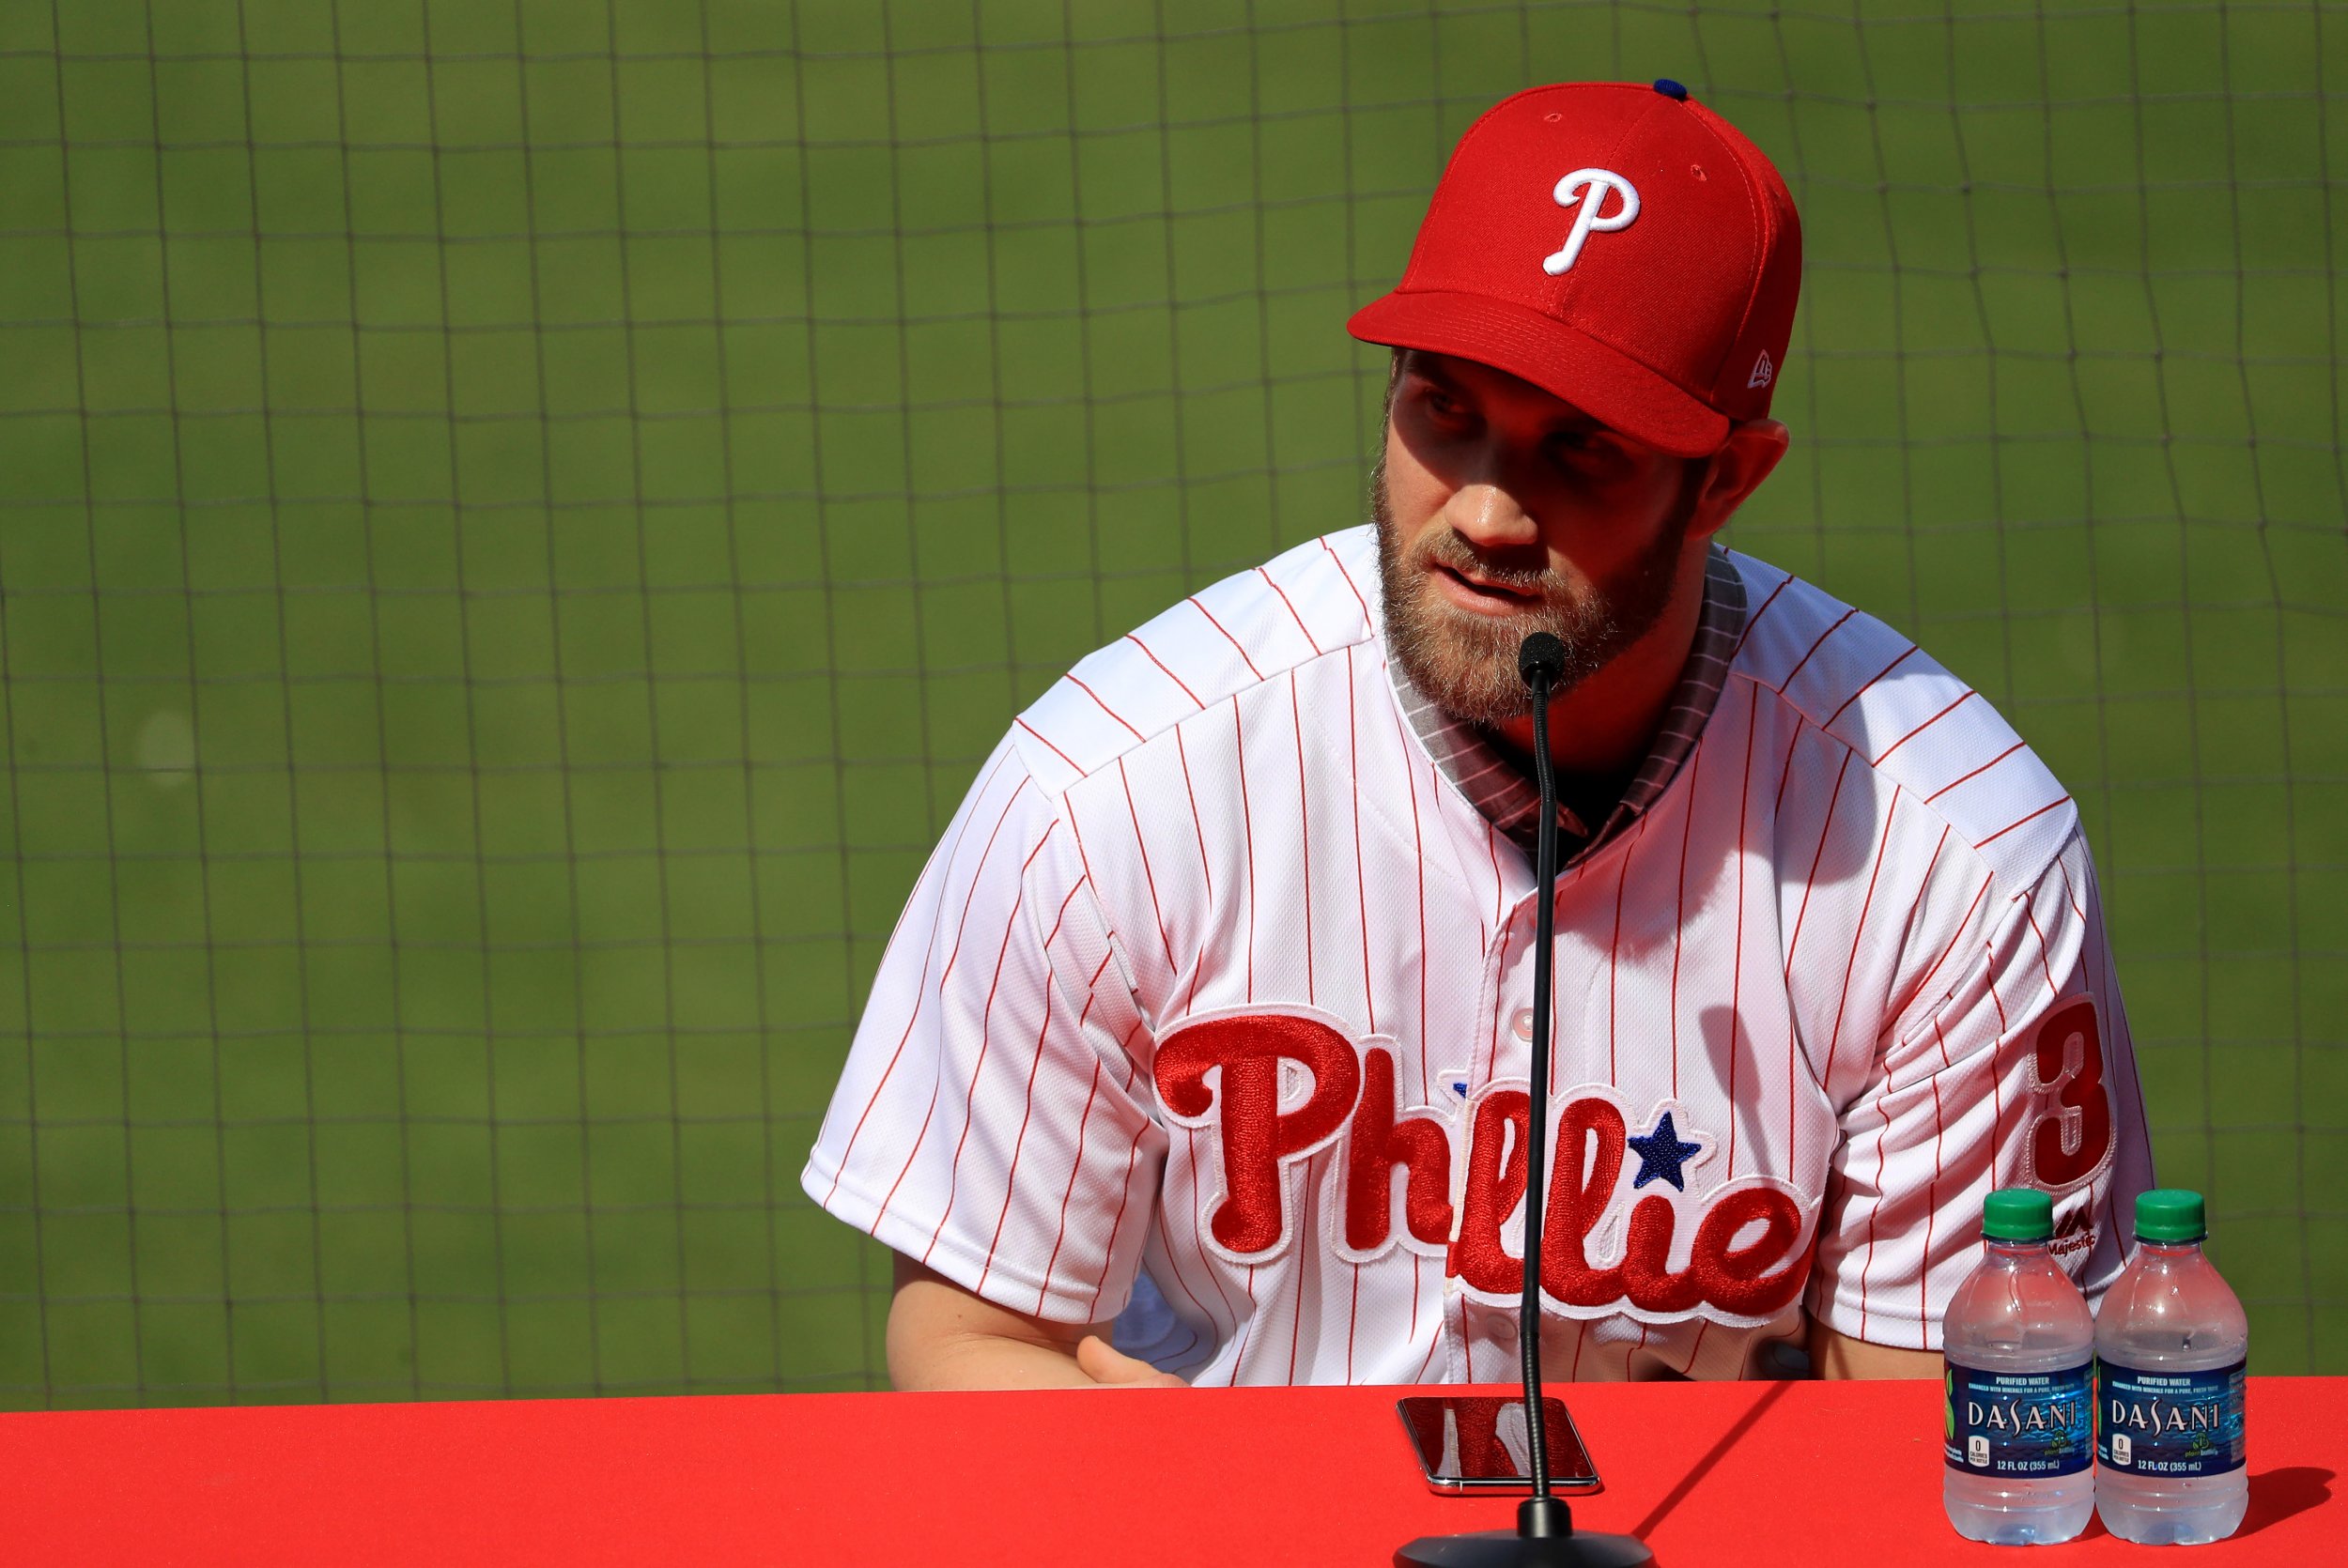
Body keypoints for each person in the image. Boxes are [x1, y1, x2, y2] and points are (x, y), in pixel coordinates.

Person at [800, 80, 2153, 1389]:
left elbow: (1921, 1431)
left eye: (1584, 448)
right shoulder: (1112, 789)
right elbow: (976, 1333)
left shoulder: (1956, 863)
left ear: (1726, 478)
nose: (1490, 516)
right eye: (1445, 409)